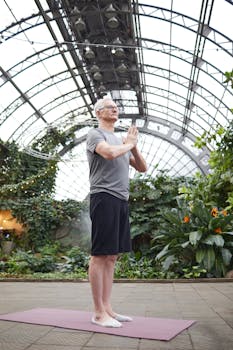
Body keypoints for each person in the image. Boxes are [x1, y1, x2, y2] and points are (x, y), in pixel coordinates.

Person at [86, 97, 147, 328]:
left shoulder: (121, 141)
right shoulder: (96, 135)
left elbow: (142, 168)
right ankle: (98, 313)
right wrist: (128, 144)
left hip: (121, 199)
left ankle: (108, 308)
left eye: (116, 107)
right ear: (99, 112)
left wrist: (134, 145)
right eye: (110, 106)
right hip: (103, 196)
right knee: (100, 255)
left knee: (112, 256)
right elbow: (109, 153)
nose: (115, 108)